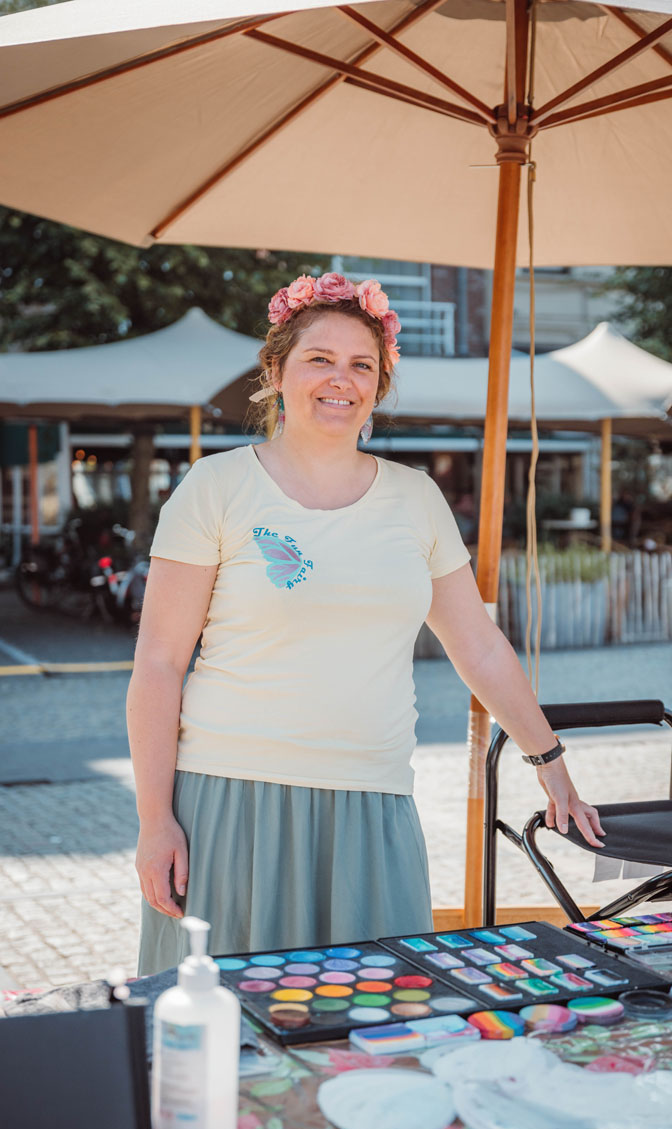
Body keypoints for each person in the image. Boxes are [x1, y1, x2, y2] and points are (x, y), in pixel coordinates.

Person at [130, 273, 604, 975]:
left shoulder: (416, 498)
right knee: (234, 1037)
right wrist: (154, 820)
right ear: (276, 370)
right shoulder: (216, 488)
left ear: (378, 385)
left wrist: (550, 762)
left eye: (362, 365)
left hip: (372, 805)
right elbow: (160, 665)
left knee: (379, 1032)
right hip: (230, 803)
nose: (340, 380)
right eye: (319, 358)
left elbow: (477, 644)